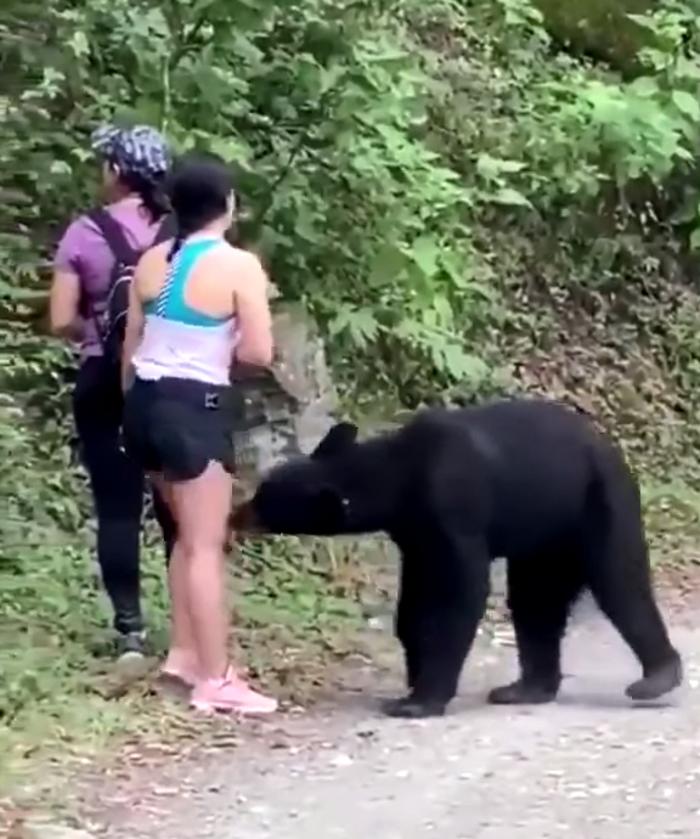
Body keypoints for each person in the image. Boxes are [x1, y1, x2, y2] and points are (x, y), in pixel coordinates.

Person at [121, 152, 278, 714]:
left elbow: (132, 346)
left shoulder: (150, 260)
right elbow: (259, 351)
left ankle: (184, 655)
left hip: (143, 404)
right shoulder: (238, 267)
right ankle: (218, 678)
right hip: (193, 408)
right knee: (207, 544)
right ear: (228, 206)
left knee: (185, 535)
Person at [50, 125, 177, 660]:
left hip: (104, 380)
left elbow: (59, 319)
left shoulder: (85, 232)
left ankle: (130, 631)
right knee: (180, 506)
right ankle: (194, 630)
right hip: (176, 380)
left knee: (119, 507)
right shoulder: (182, 232)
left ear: (119, 172)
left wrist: (98, 334)